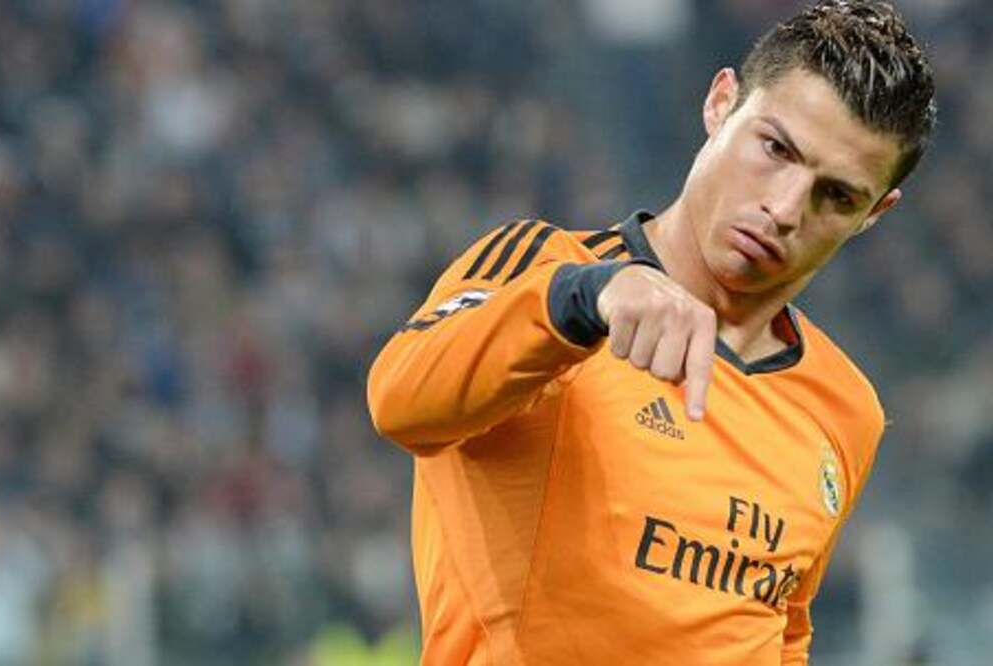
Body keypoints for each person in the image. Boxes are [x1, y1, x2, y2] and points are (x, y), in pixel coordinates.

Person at [366, 1, 936, 663]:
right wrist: (583, 299)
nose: (785, 209)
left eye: (836, 195)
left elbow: (783, 629)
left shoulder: (845, 409)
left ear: (874, 213)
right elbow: (399, 401)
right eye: (776, 149)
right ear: (721, 103)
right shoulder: (548, 274)